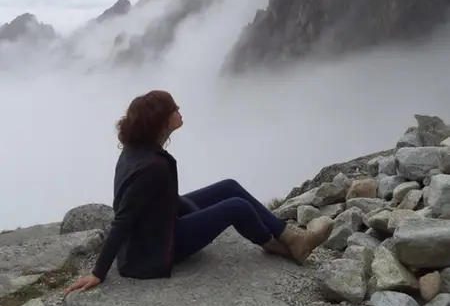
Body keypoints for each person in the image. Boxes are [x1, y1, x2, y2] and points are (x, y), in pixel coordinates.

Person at [65, 90, 332, 293]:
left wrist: (197, 215)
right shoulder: (152, 167)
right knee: (236, 207)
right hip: (153, 251)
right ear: (162, 121)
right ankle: (277, 246)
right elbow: (123, 218)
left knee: (228, 186)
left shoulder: (138, 150)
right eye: (174, 109)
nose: (179, 111)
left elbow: (163, 199)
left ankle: (291, 237)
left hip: (158, 226)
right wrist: (98, 272)